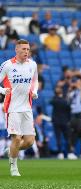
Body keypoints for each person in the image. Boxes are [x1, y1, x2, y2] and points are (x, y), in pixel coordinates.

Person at [0, 39, 38, 176]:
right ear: (16, 50)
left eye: (28, 49)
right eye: (23, 49)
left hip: (27, 108)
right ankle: (14, 168)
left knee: (29, 142)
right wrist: (3, 91)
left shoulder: (32, 65)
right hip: (12, 108)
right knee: (16, 139)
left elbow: (35, 81)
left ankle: (11, 150)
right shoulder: (7, 65)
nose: (26, 52)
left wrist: (35, 92)